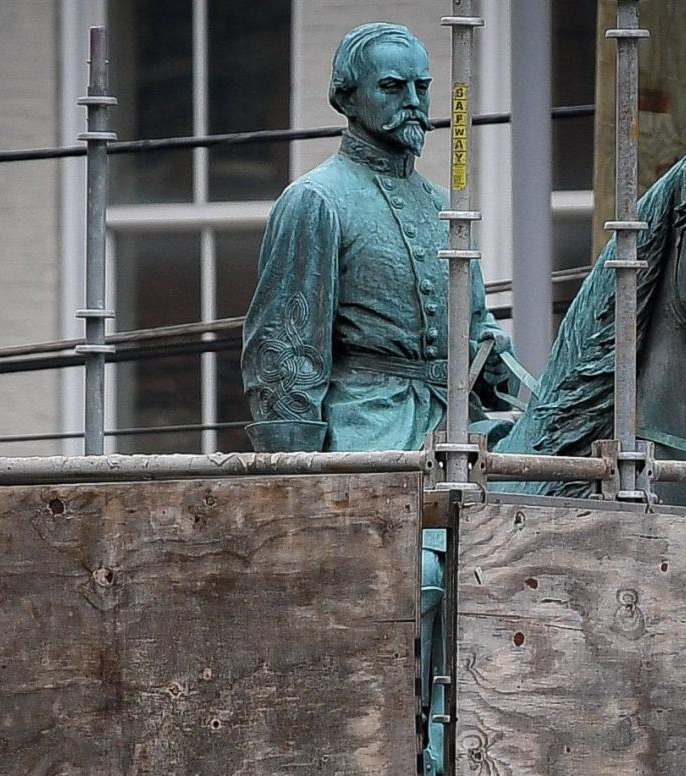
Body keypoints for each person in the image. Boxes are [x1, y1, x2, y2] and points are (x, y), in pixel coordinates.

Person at [241, 22, 514, 776]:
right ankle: (407, 743)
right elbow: (282, 355)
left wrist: (526, 391)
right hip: (366, 423)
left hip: (454, 422)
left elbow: (483, 335)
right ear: (348, 97)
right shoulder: (316, 201)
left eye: (424, 87)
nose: (416, 103)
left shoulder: (442, 205)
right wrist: (301, 490)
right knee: (418, 575)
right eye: (394, 88)